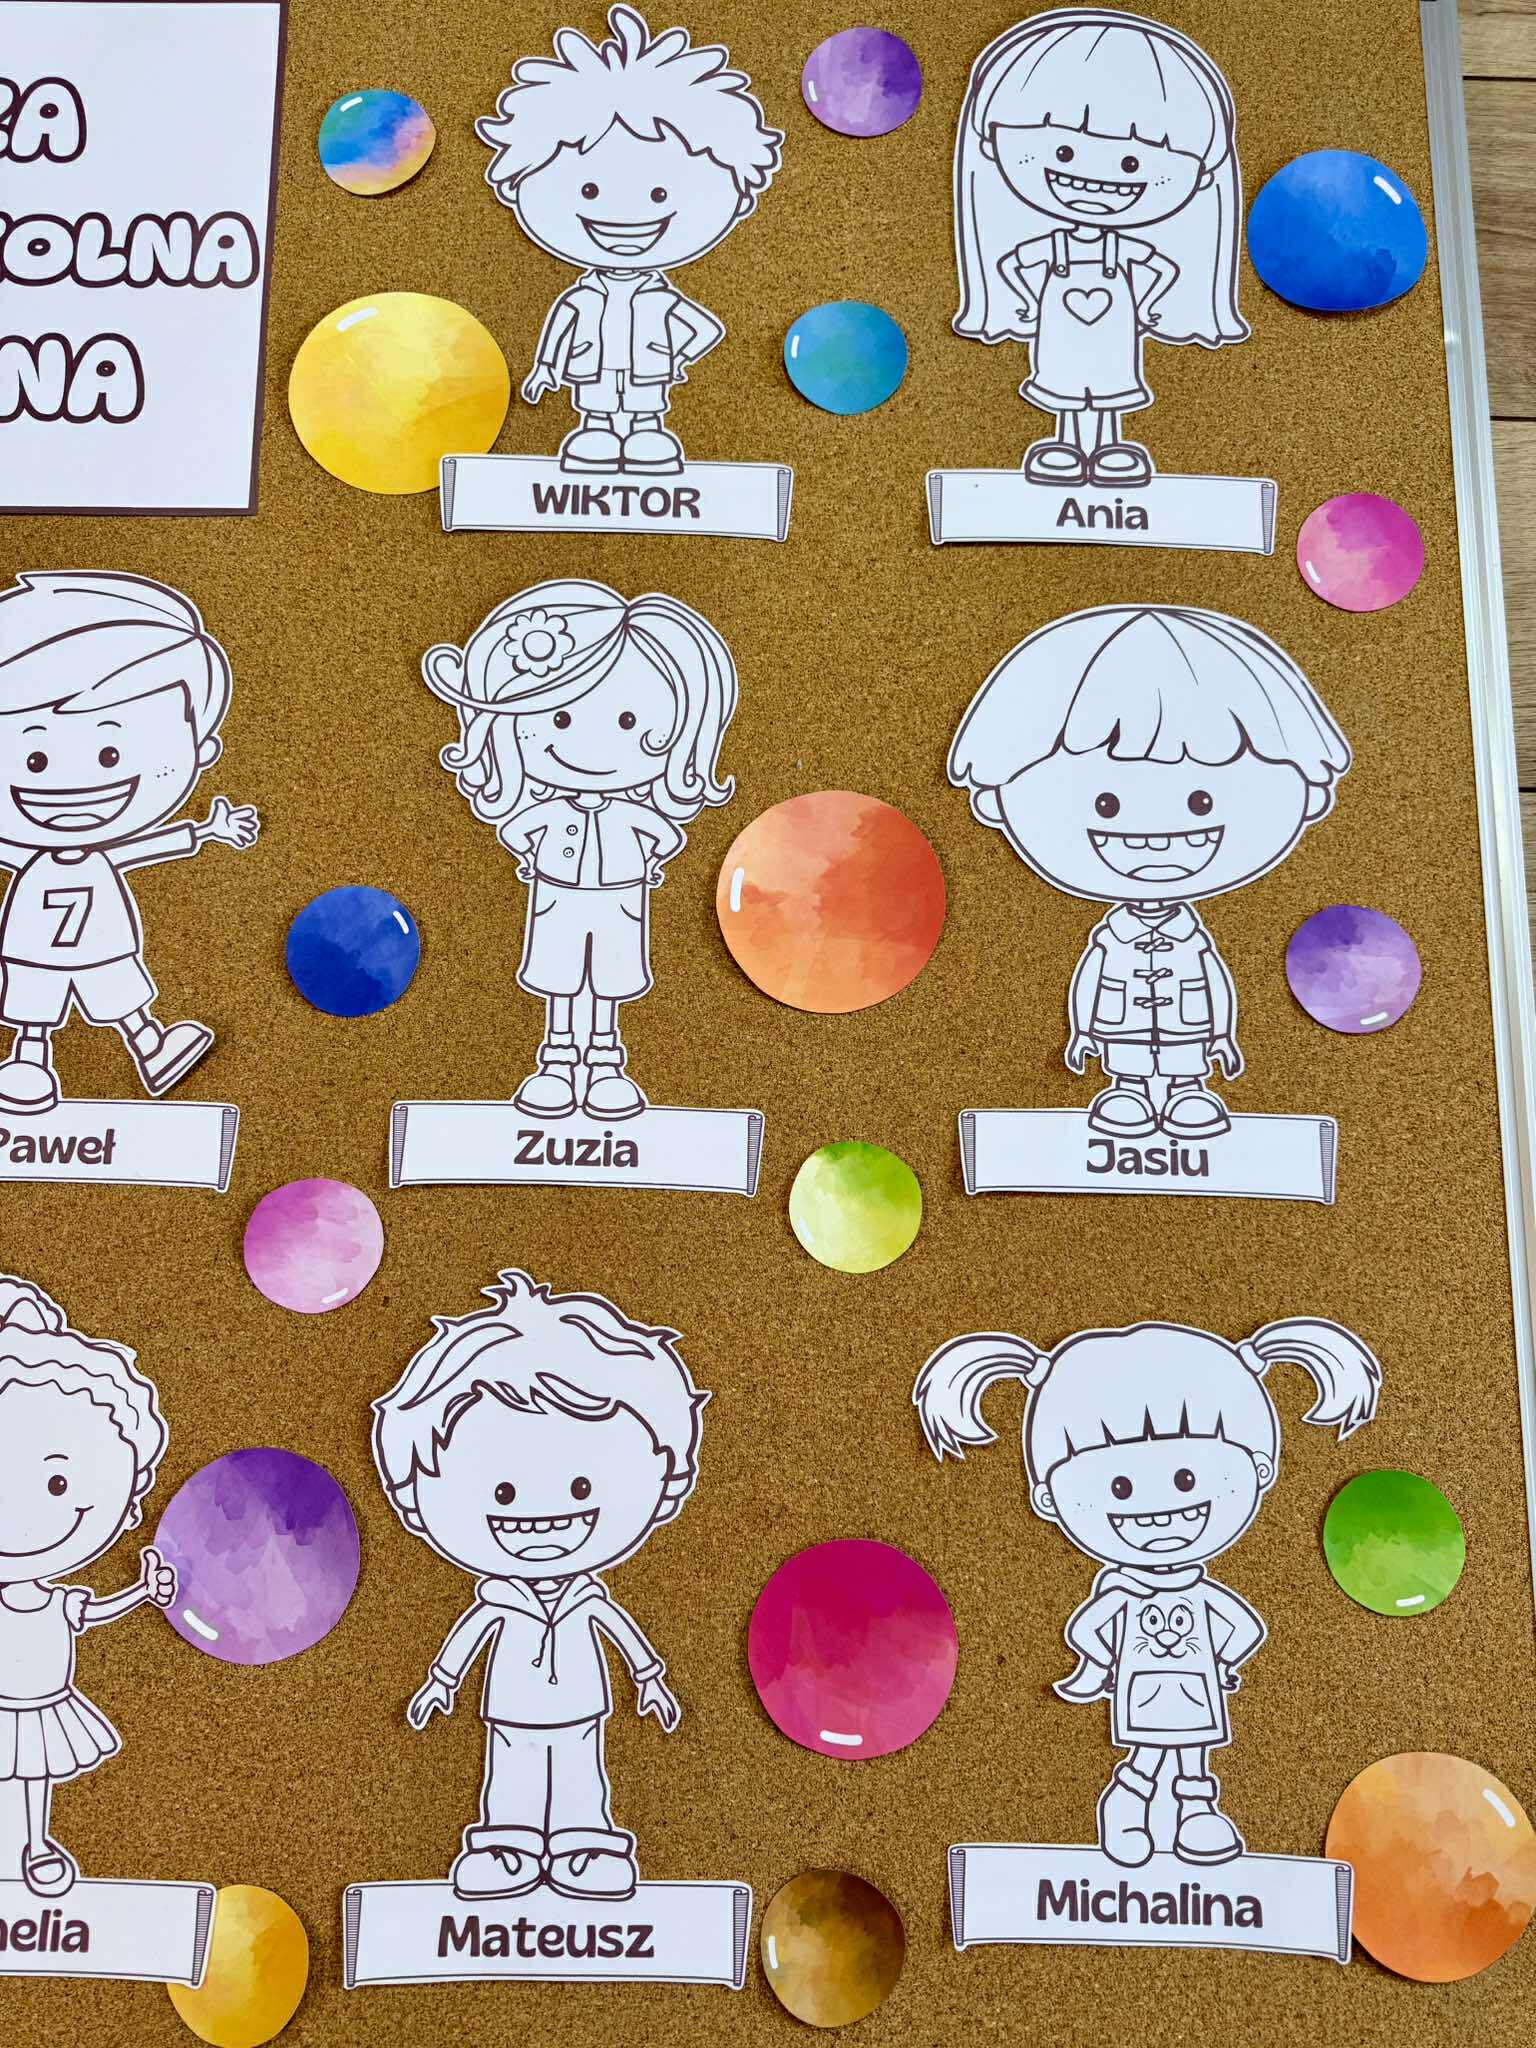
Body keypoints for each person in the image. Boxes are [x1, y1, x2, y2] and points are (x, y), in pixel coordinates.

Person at [915, 1315, 1381, 1865]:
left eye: (1186, 1479)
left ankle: (1198, 1814)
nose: (1160, 1511)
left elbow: (1246, 1628)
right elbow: (1086, 1627)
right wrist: (1101, 1666)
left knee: (1194, 1749)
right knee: (1150, 1751)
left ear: (1260, 1469)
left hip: (1198, 1684)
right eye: (1119, 1486)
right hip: (1143, 1685)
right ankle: (1128, 1804)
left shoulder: (1195, 1591)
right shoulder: (1123, 1592)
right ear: (1048, 1499)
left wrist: (1223, 1663)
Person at [949, 603, 1350, 1137]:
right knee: (1130, 1068)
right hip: (1123, 1031)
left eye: (1202, 801)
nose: (1157, 838)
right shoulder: (1110, 939)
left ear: (1309, 791)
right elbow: (1091, 977)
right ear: (997, 796)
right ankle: (1129, 1092)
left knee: (1185, 1067)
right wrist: (1083, 1031)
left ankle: (1188, 1092)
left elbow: (1214, 981)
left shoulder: (1193, 940)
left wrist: (1223, 1035)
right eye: (1107, 804)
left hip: (1189, 1031)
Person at [373, 1269, 708, 1902]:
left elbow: (621, 1633)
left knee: (583, 1771)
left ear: (665, 1478)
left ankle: (586, 1843)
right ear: (417, 1496)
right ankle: (507, 1845)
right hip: (510, 1706)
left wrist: (649, 1678)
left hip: (583, 1702)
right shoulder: (498, 1601)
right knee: (511, 1771)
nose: (544, 1516)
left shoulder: (588, 1599)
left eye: (582, 1486)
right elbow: (470, 1637)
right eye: (501, 1491)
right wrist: (441, 1683)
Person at [423, 579, 737, 1118]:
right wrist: (532, 861)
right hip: (557, 901)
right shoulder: (547, 812)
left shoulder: (633, 815)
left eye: (628, 721)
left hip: (619, 902)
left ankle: (606, 1063)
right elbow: (517, 832)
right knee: (559, 977)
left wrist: (649, 864)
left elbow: (664, 836)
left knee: (610, 979)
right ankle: (558, 1060)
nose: (593, 747)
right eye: (560, 718)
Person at [479, 4, 782, 474]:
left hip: (649, 372)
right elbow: (560, 328)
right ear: (517, 182)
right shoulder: (583, 296)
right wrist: (546, 368)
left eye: (660, 193)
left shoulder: (661, 298)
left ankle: (645, 434)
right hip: (592, 371)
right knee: (598, 410)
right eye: (589, 190)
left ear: (739, 194)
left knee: (643, 411)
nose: (624, 217)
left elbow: (707, 329)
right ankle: (597, 433)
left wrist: (675, 357)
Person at [0, 571, 259, 1113]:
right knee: (33, 1004)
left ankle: (151, 1047)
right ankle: (28, 1064)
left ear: (201, 748)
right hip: (33, 945)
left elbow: (146, 846)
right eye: (34, 759)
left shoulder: (100, 857)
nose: (70, 785)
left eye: (109, 755)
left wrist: (207, 829)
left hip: (103, 941)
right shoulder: (32, 859)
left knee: (119, 992)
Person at [952, 8, 1248, 483]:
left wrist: (1145, 306)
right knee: (1066, 385)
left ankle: (1110, 447)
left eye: (1133, 162)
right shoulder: (1053, 245)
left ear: (1201, 177)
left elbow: (1164, 269)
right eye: (1063, 151)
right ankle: (1066, 446)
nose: (1094, 177)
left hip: (1115, 333)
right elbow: (1013, 265)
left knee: (1109, 387)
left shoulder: (1122, 250)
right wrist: (1028, 302)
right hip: (1058, 333)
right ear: (991, 140)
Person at [0, 1274, 174, 1897]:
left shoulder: (55, 1599)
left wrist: (144, 1591)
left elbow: (93, 1612)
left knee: (32, 1778)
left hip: (40, 1701)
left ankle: (35, 1845)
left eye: (57, 1484)